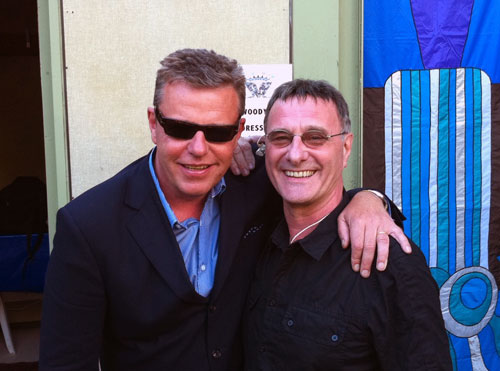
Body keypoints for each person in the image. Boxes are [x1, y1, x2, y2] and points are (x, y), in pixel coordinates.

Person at [39, 49, 408, 370]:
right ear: (154, 124)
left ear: (238, 132)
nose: (198, 148)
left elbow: (315, 184)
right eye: (181, 129)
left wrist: (369, 199)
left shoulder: (257, 186)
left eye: (217, 133)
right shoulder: (88, 226)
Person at [244, 79, 451, 370]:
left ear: (346, 147)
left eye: (315, 137)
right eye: (281, 137)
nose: (295, 154)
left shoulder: (389, 264)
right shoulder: (253, 234)